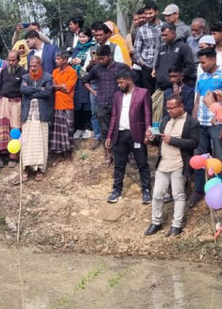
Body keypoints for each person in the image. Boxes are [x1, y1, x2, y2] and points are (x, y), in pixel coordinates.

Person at [145, 94, 199, 237]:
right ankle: (156, 222)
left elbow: (194, 143)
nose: (169, 111)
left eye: (171, 108)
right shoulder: (165, 120)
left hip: (179, 164)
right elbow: (160, 141)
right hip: (163, 163)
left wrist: (173, 140)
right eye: (167, 108)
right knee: (157, 194)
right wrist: (152, 139)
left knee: (178, 195)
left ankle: (177, 225)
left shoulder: (191, 122)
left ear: (181, 107)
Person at [105, 69, 152, 204]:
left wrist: (148, 134)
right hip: (120, 134)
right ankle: (116, 190)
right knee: (119, 164)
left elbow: (148, 115)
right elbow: (114, 116)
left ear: (129, 80)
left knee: (142, 163)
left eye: (121, 82)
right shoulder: (117, 96)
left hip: (136, 133)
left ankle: (146, 190)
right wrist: (109, 136)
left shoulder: (143, 93)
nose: (119, 85)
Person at [83, 45, 130, 164]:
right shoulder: (96, 68)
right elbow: (85, 80)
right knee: (105, 130)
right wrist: (94, 92)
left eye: (102, 58)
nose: (100, 61)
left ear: (110, 56)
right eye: (98, 58)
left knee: (124, 129)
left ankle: (128, 154)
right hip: (102, 103)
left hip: (120, 104)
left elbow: (131, 82)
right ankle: (108, 154)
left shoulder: (122, 67)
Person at [189, 48, 222, 208]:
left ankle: (219, 191)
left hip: (217, 124)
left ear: (213, 60)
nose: (201, 66)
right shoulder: (201, 77)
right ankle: (199, 190)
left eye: (203, 62)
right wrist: (194, 120)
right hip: (201, 125)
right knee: (200, 158)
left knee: (219, 157)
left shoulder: (221, 76)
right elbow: (197, 100)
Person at [152, 23, 197, 124]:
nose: (163, 38)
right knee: (155, 115)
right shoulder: (161, 49)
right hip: (161, 89)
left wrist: (178, 78)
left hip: (177, 90)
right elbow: (158, 66)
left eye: (166, 35)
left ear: (173, 33)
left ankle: (174, 137)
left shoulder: (183, 47)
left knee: (174, 117)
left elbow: (190, 67)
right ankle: (155, 138)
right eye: (162, 35)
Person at [20, 56, 53, 181]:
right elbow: (23, 89)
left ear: (40, 65)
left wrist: (31, 92)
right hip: (28, 115)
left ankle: (40, 169)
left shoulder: (47, 77)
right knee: (27, 143)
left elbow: (48, 92)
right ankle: (26, 169)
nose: (32, 68)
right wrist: (39, 89)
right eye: (31, 66)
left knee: (41, 142)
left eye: (35, 66)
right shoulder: (25, 77)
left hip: (41, 115)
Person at [0, 50, 26, 168]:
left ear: (18, 60)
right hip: (4, 103)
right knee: (3, 128)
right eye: (9, 60)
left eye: (13, 60)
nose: (11, 63)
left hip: (17, 103)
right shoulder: (3, 71)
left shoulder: (23, 73)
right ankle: (3, 156)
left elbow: (24, 92)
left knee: (15, 128)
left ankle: (13, 157)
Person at [50, 51, 78, 161]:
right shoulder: (55, 71)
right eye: (56, 59)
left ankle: (69, 152)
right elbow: (51, 87)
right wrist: (60, 86)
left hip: (67, 104)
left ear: (65, 60)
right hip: (56, 104)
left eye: (59, 59)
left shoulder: (72, 72)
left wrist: (58, 87)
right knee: (57, 131)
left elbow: (68, 89)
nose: (56, 61)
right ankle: (59, 154)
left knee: (69, 129)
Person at [70, 28, 96, 139]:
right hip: (76, 79)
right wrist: (72, 61)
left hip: (87, 78)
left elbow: (94, 62)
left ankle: (88, 128)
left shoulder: (93, 47)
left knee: (87, 104)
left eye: (84, 37)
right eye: (80, 37)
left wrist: (82, 61)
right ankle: (79, 127)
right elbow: (71, 58)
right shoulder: (76, 48)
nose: (82, 39)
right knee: (77, 104)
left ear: (89, 37)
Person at [134, 2, 162, 94]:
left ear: (156, 12)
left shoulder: (164, 27)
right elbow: (136, 49)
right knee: (148, 92)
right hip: (146, 65)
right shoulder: (141, 29)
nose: (148, 16)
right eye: (146, 14)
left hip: (160, 64)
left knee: (160, 91)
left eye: (150, 13)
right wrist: (142, 63)